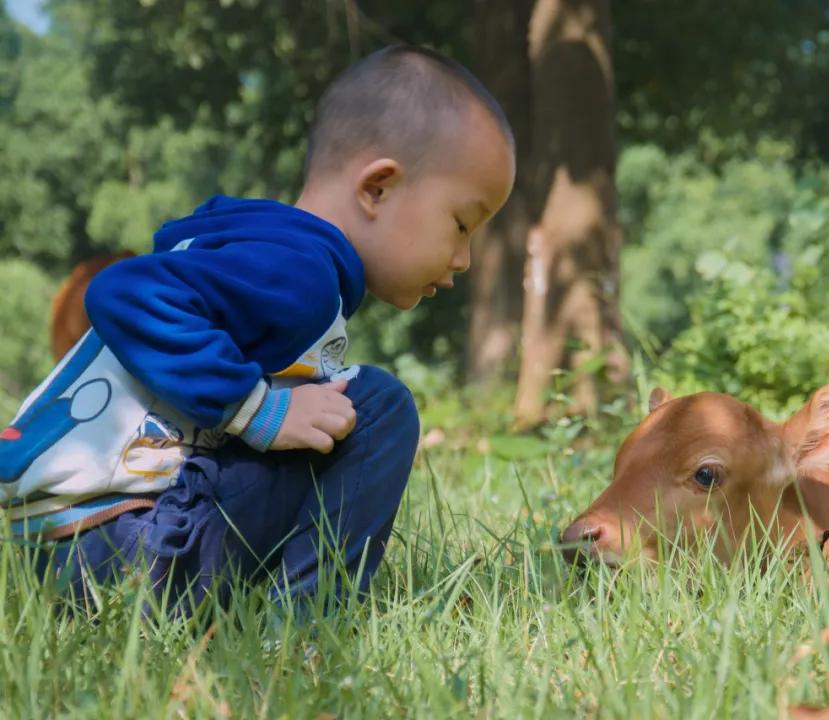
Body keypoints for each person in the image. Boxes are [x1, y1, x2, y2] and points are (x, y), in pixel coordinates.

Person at [0, 45, 516, 611]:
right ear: (377, 188)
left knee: (319, 403)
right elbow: (120, 291)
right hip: (116, 552)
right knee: (376, 408)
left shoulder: (269, 250)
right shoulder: (299, 272)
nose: (465, 258)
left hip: (54, 557)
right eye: (462, 223)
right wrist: (258, 410)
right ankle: (304, 623)